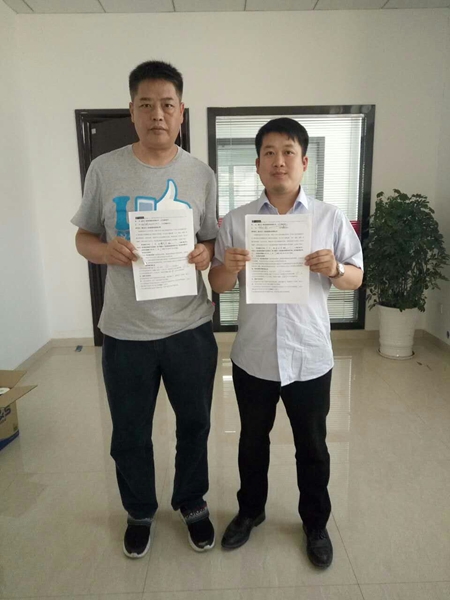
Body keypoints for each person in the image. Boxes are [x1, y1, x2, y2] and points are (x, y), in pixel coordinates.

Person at [72, 60, 218, 558]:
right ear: (132, 111)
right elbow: (83, 237)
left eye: (167, 105)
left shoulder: (200, 174)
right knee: (130, 431)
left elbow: (209, 241)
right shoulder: (104, 168)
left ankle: (192, 502)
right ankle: (139, 510)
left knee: (195, 424)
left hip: (189, 327)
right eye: (147, 105)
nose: (158, 114)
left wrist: (204, 255)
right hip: (125, 330)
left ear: (181, 113)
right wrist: (105, 251)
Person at [209, 117, 363, 569]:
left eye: (289, 152)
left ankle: (315, 523)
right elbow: (217, 284)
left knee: (312, 446)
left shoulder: (329, 218)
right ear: (258, 164)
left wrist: (335, 268)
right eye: (270, 153)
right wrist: (230, 267)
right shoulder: (237, 221)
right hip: (254, 355)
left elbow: (356, 277)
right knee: (252, 442)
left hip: (309, 356)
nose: (279, 161)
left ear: (304, 162)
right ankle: (250, 511)